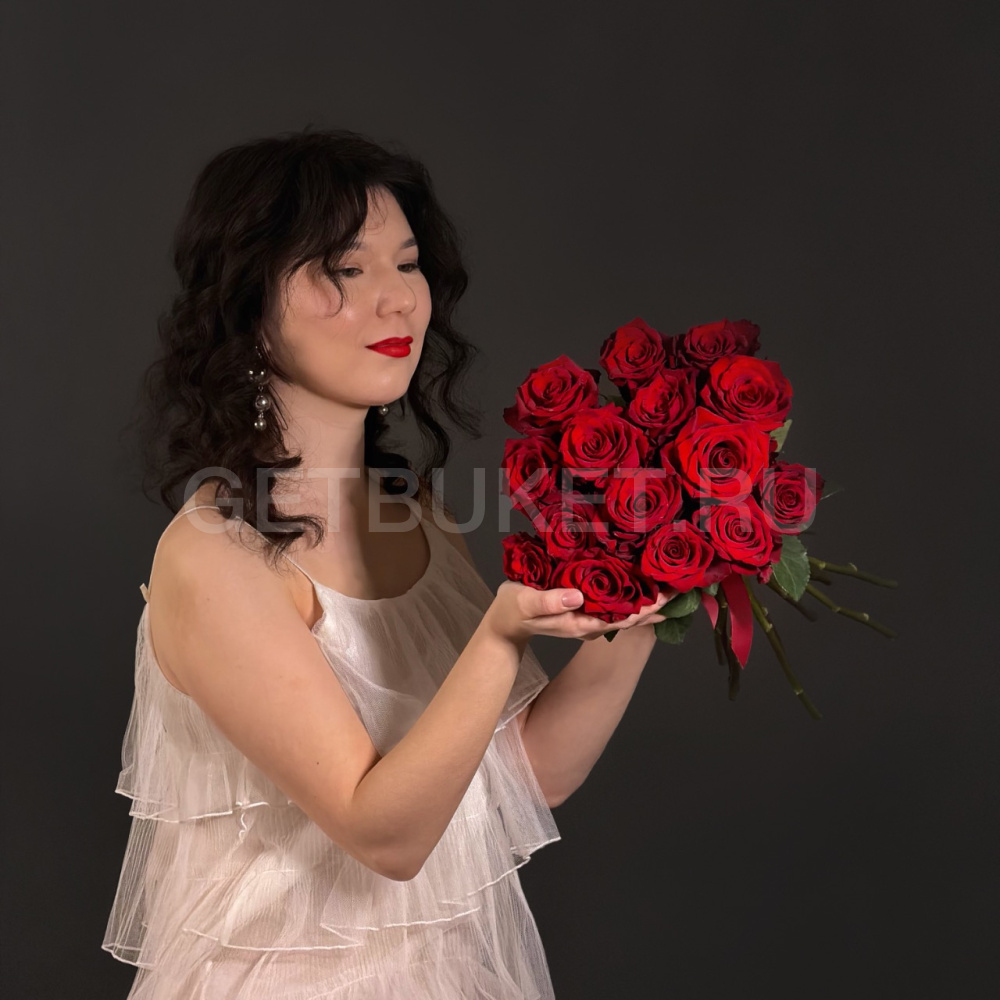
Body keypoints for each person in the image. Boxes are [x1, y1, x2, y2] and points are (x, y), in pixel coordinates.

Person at [103, 127, 674, 999]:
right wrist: (498, 637)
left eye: (407, 265)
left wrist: (644, 600)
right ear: (246, 306)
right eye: (345, 268)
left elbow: (528, 777)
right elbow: (386, 836)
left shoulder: (420, 518)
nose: (398, 299)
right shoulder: (214, 557)